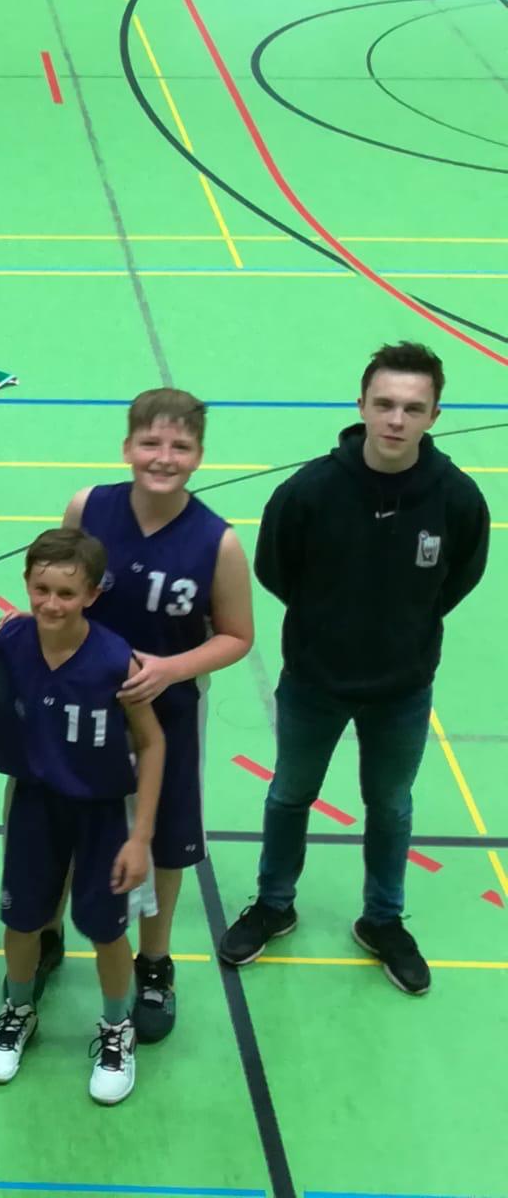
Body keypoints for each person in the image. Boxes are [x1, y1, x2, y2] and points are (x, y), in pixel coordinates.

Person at [219, 342, 490, 995]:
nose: (396, 419)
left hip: (402, 688)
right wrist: (329, 625)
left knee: (390, 806)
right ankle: (274, 904)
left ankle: (382, 920)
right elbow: (276, 568)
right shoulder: (308, 492)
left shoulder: (456, 498)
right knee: (290, 795)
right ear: (362, 405)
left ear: (434, 416)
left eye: (413, 408)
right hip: (314, 681)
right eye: (385, 404)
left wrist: (404, 627)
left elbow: (460, 575)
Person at [33, 388, 253, 1042]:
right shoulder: (88, 507)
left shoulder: (218, 542)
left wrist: (170, 668)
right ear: (127, 446)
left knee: (165, 840)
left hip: (169, 712)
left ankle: (154, 962)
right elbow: (57, 594)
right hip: (78, 707)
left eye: (180, 446)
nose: (164, 456)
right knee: (62, 823)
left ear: (199, 456)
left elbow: (237, 636)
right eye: (151, 443)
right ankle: (45, 935)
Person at [0, 528, 164, 1106]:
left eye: (66, 593)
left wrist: (141, 837)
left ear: (92, 595)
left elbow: (152, 744)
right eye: (41, 589)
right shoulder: (10, 640)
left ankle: (116, 1027)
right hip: (35, 803)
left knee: (107, 928)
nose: (51, 603)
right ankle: (18, 1010)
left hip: (103, 813)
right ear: (26, 583)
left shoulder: (116, 660)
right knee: (22, 918)